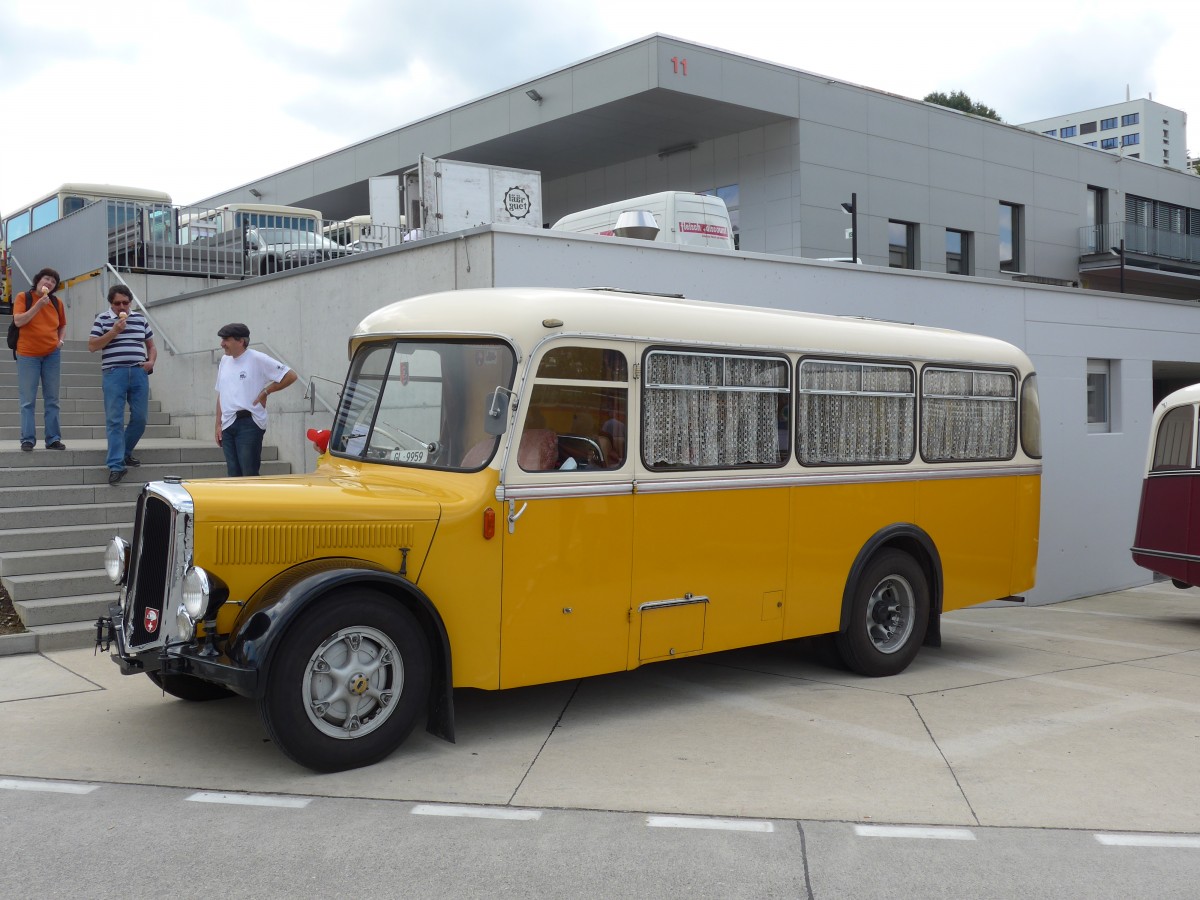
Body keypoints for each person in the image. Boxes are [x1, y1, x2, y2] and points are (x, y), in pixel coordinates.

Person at [88, 285, 156, 485]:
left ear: (130, 302)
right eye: (117, 303)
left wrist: (151, 362)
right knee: (115, 420)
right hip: (113, 372)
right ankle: (116, 465)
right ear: (111, 303)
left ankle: (124, 452)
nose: (121, 306)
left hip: (138, 372)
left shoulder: (140, 319)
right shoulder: (102, 319)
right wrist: (114, 331)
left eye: (125, 303)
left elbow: (151, 346)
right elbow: (92, 346)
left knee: (140, 418)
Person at [214, 322, 297, 476]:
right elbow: (221, 393)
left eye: (226, 339)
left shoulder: (257, 358)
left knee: (249, 472)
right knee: (233, 473)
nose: (222, 344)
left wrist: (266, 391)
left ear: (241, 341)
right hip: (227, 424)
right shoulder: (224, 361)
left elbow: (290, 376)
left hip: (249, 423)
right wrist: (218, 424)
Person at [13, 267, 67, 452]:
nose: (49, 283)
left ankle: (53, 439)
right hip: (28, 354)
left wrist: (60, 341)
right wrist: (38, 305)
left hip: (52, 354)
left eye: (53, 281)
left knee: (52, 399)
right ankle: (27, 439)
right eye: (46, 278)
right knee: (28, 400)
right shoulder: (24, 297)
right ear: (38, 280)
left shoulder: (56, 302)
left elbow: (62, 325)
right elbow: (19, 321)